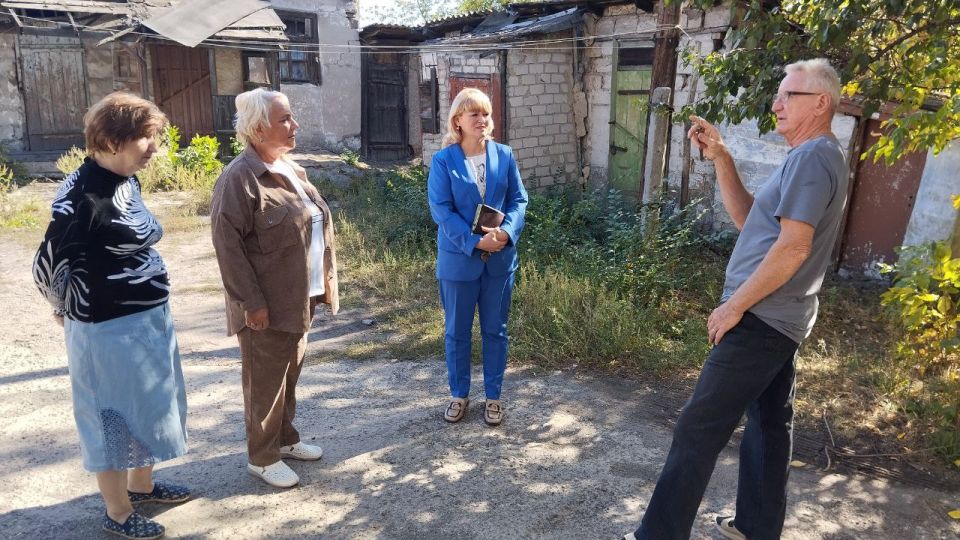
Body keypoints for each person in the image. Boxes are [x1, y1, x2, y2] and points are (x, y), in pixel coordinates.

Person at [622, 58, 850, 540]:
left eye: (791, 95)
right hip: (782, 318)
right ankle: (756, 527)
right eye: (779, 94)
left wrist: (734, 306)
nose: (778, 103)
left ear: (822, 103)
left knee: (698, 427)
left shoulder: (812, 157)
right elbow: (754, 223)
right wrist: (722, 157)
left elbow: (793, 248)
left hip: (762, 319)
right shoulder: (813, 156)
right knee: (769, 426)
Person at [32, 92, 189, 540]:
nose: (154, 148)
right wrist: (65, 307)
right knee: (111, 416)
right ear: (114, 139)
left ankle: (142, 487)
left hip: (145, 318)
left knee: (151, 403)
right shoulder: (80, 197)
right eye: (146, 137)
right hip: (105, 326)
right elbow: (47, 266)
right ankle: (117, 512)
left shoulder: (124, 179)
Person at [210, 88, 339, 489]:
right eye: (285, 119)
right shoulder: (239, 177)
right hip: (264, 304)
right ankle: (261, 457)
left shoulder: (289, 168)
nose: (294, 125)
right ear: (259, 128)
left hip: (300, 296)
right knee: (265, 380)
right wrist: (251, 302)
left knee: (288, 373)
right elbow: (227, 246)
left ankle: (283, 440)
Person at [427, 88, 528, 426]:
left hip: (499, 261)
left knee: (496, 331)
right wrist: (474, 243)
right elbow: (442, 211)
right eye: (474, 114)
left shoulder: (505, 155)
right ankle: (459, 394)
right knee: (457, 332)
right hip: (459, 261)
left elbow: (519, 200)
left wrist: (507, 233)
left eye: (485, 113)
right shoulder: (444, 160)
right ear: (458, 121)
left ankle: (494, 397)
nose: (482, 120)